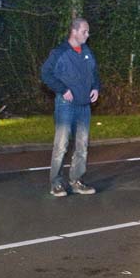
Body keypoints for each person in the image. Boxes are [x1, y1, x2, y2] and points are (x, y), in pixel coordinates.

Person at [48, 18, 100, 197]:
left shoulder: (87, 52)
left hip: (84, 106)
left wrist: (95, 88)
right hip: (66, 106)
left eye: (88, 31)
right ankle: (56, 183)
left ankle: (76, 180)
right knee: (61, 145)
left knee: (82, 145)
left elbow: (94, 73)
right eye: (85, 31)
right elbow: (46, 73)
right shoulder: (60, 52)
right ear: (74, 31)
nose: (87, 35)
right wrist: (62, 89)